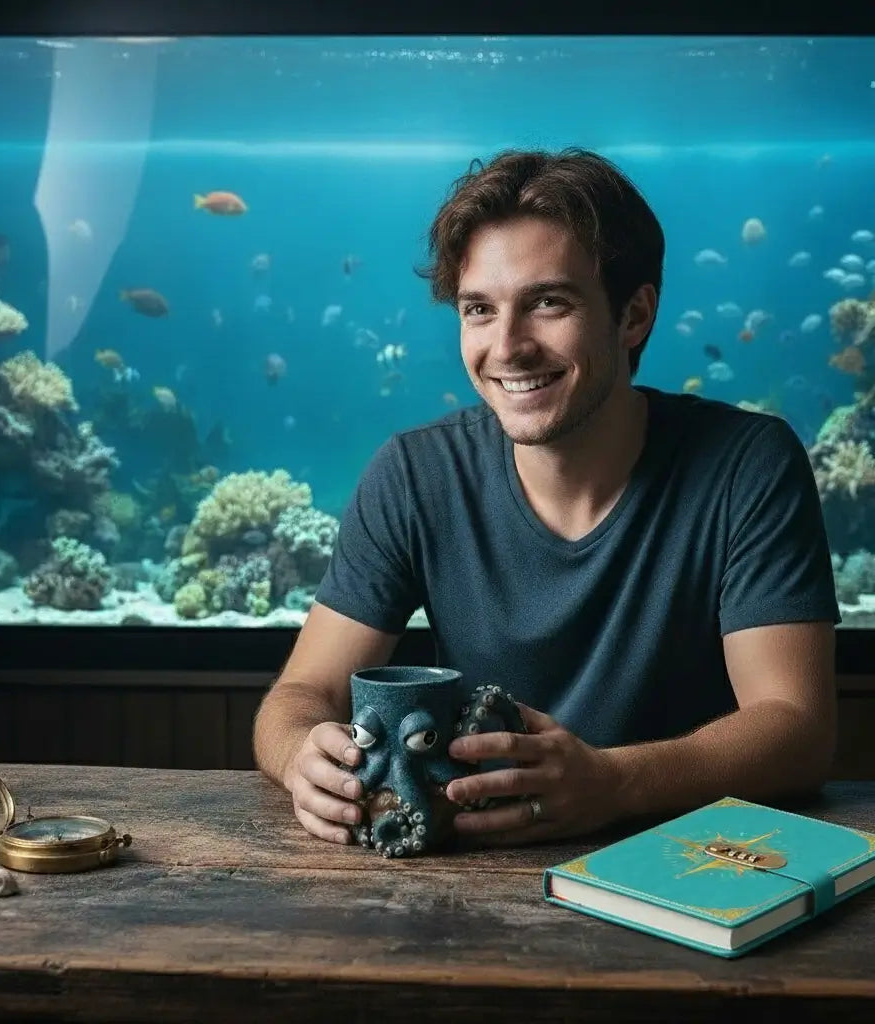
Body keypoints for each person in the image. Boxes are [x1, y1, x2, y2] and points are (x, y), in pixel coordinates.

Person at [252, 146, 841, 848]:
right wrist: (301, 759)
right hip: (467, 874)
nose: (507, 347)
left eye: (548, 303)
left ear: (634, 316)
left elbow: (796, 727)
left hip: (688, 865)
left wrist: (615, 782)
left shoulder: (748, 465)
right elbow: (298, 695)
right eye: (479, 309)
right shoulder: (414, 474)